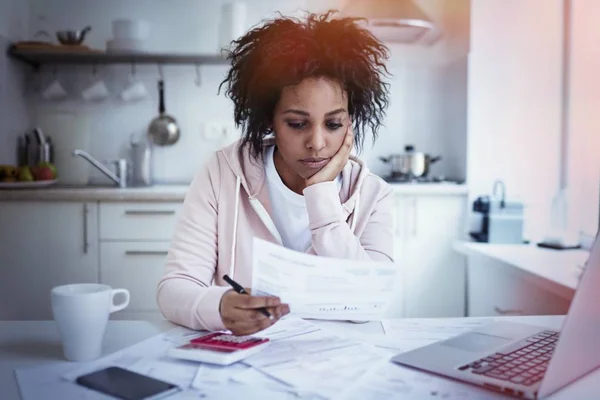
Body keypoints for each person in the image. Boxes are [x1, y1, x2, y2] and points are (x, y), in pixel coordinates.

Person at [157, 10, 394, 336]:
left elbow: (373, 302)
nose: (317, 142)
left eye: (334, 124)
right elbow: (174, 290)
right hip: (245, 362)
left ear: (351, 122)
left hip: (333, 364)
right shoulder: (223, 173)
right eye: (297, 124)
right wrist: (220, 307)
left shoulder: (372, 194)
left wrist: (322, 195)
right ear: (269, 119)